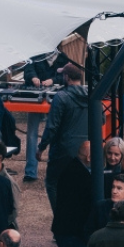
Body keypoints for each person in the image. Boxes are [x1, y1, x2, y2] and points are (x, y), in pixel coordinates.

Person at [41, 64, 88, 205]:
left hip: (63, 149)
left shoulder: (61, 97)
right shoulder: (91, 96)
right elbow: (101, 119)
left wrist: (41, 147)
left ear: (66, 77)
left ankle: (60, 217)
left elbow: (51, 127)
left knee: (52, 183)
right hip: (86, 149)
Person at [52, 138, 96, 247]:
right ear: (88, 157)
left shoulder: (71, 167)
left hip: (65, 230)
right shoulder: (82, 176)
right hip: (72, 233)